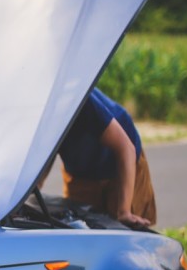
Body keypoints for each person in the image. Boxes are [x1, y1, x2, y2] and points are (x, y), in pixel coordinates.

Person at [57, 88, 156, 228]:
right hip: (80, 171)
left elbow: (126, 149)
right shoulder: (32, 112)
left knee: (126, 229)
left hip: (122, 162)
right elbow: (42, 156)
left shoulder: (79, 99)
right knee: (79, 228)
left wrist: (124, 211)